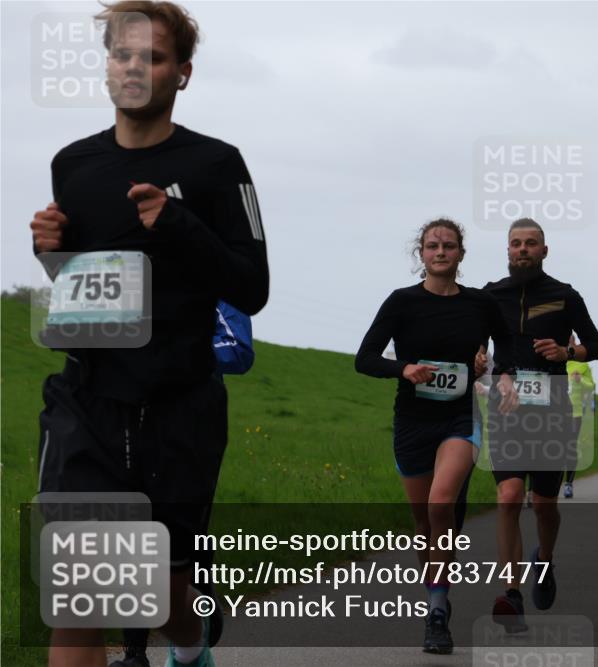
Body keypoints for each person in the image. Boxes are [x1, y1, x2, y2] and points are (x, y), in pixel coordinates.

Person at [30, 3, 269, 666]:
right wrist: (51, 251)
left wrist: (182, 224)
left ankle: (192, 641)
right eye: (123, 54)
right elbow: (87, 281)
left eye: (154, 57)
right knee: (84, 584)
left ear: (182, 73)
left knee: (164, 588)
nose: (135, 67)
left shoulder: (217, 165)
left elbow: (252, 287)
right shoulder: (71, 164)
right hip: (88, 400)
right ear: (108, 68)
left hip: (180, 405)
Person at [355, 219, 517, 654]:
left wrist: (502, 377)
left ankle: (438, 612)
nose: (440, 251)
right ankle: (435, 590)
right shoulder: (401, 302)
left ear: (461, 254)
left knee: (441, 502)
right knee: (425, 524)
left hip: (459, 419)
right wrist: (402, 368)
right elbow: (365, 358)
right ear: (421, 254)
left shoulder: (481, 304)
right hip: (411, 422)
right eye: (432, 246)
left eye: (448, 245)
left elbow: (507, 349)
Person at [113, 301, 252, 667]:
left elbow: (238, 350)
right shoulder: (129, 277)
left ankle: (197, 617)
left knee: (184, 536)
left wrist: (171, 356)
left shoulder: (216, 280)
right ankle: (135, 654)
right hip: (130, 417)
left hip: (193, 424)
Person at [482, 218, 598, 631]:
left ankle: (545, 561)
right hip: (506, 410)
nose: (522, 250)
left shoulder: (564, 296)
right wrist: (484, 366)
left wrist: (568, 350)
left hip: (551, 413)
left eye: (530, 243)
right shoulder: (491, 295)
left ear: (544, 251)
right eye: (515, 243)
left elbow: (596, 345)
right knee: (510, 494)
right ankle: (511, 594)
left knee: (545, 505)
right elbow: (476, 349)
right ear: (507, 250)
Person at [563, 337, 595, 499]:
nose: (569, 343)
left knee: (570, 448)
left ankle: (568, 483)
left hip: (574, 413)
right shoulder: (553, 359)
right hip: (554, 413)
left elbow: (592, 386)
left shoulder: (582, 363)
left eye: (571, 340)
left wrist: (579, 380)